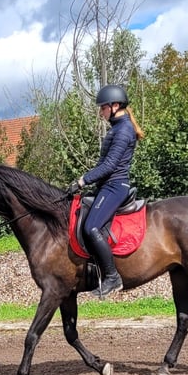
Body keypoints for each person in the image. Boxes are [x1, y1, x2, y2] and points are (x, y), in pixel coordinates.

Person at [67, 84, 145, 299]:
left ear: (115, 106)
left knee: (91, 227)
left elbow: (109, 166)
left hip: (115, 186)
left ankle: (112, 277)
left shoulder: (123, 130)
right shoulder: (118, 128)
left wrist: (83, 180)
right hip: (107, 185)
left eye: (103, 108)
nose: (100, 112)